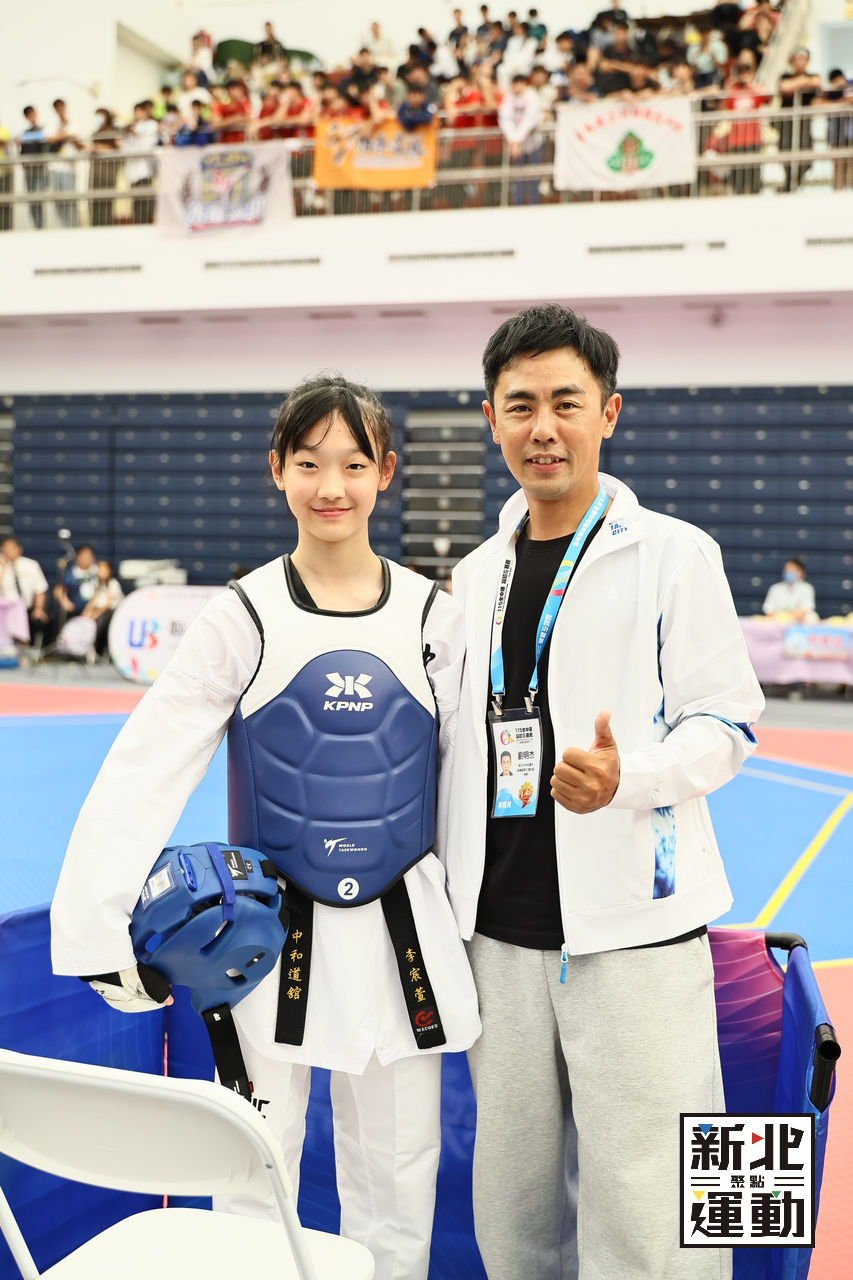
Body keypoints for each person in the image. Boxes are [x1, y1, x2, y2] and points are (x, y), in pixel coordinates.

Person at [50, 375, 480, 1280]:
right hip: (265, 943)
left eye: (354, 465)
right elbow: (148, 763)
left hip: (405, 935)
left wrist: (481, 928)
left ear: (385, 473)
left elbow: (469, 785)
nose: (332, 486)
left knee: (398, 1180)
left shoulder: (435, 617)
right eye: (310, 463)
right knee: (252, 1176)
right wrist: (95, 923)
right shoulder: (242, 614)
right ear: (276, 469)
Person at [445, 304, 763, 1280]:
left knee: (653, 1197)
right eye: (520, 406)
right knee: (512, 1202)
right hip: (498, 934)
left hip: (634, 925)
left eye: (566, 403)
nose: (543, 427)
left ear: (608, 413)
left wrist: (635, 777)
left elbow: (728, 722)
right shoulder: (473, 575)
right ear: (491, 420)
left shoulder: (673, 553)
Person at [0, 535, 49, 649]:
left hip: (27, 608)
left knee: (39, 620)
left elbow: (40, 589)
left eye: (12, 548)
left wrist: (38, 608)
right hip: (5, 610)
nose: (9, 551)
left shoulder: (31, 565)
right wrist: (3, 568)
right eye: (6, 548)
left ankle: (25, 649)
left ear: (19, 549)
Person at [16, 106, 48, 229]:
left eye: (32, 113)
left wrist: (24, 138)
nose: (31, 116)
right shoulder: (26, 132)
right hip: (29, 170)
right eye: (28, 114)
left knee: (39, 197)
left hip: (40, 169)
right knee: (32, 199)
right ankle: (37, 227)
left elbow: (44, 138)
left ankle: (41, 226)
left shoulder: (43, 129)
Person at [762, 557, 818, 621]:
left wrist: (790, 616)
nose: (789, 571)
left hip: (799, 620)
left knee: (811, 617)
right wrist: (782, 616)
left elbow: (806, 609)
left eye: (792, 569)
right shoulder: (775, 588)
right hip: (778, 619)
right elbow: (768, 609)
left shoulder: (807, 588)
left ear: (801, 572)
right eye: (786, 569)